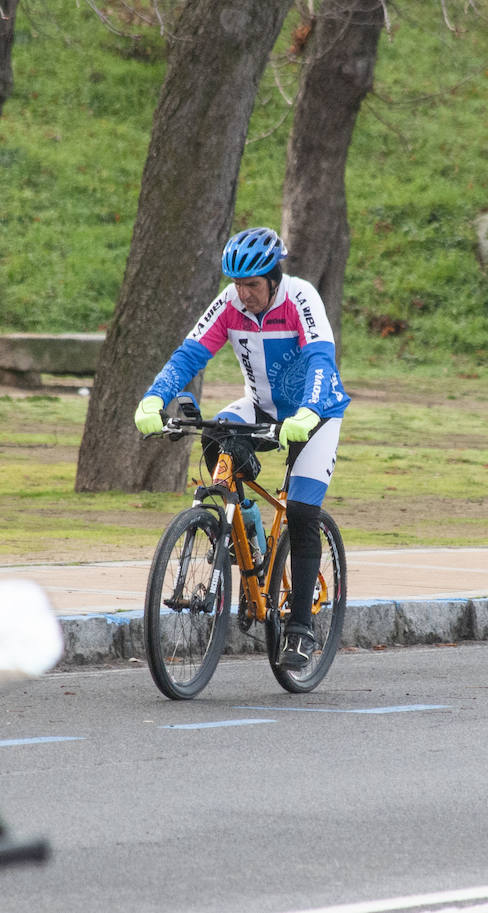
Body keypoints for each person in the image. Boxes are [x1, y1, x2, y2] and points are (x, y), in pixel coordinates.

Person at [133, 227, 350, 670]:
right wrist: (155, 397)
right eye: (237, 284)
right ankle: (245, 525)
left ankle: (301, 629)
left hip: (316, 412)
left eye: (252, 285)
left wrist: (308, 412)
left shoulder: (301, 299)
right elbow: (190, 354)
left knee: (303, 514)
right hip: (259, 407)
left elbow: (320, 359)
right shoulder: (230, 305)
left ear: (274, 279)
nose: (243, 294)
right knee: (215, 436)